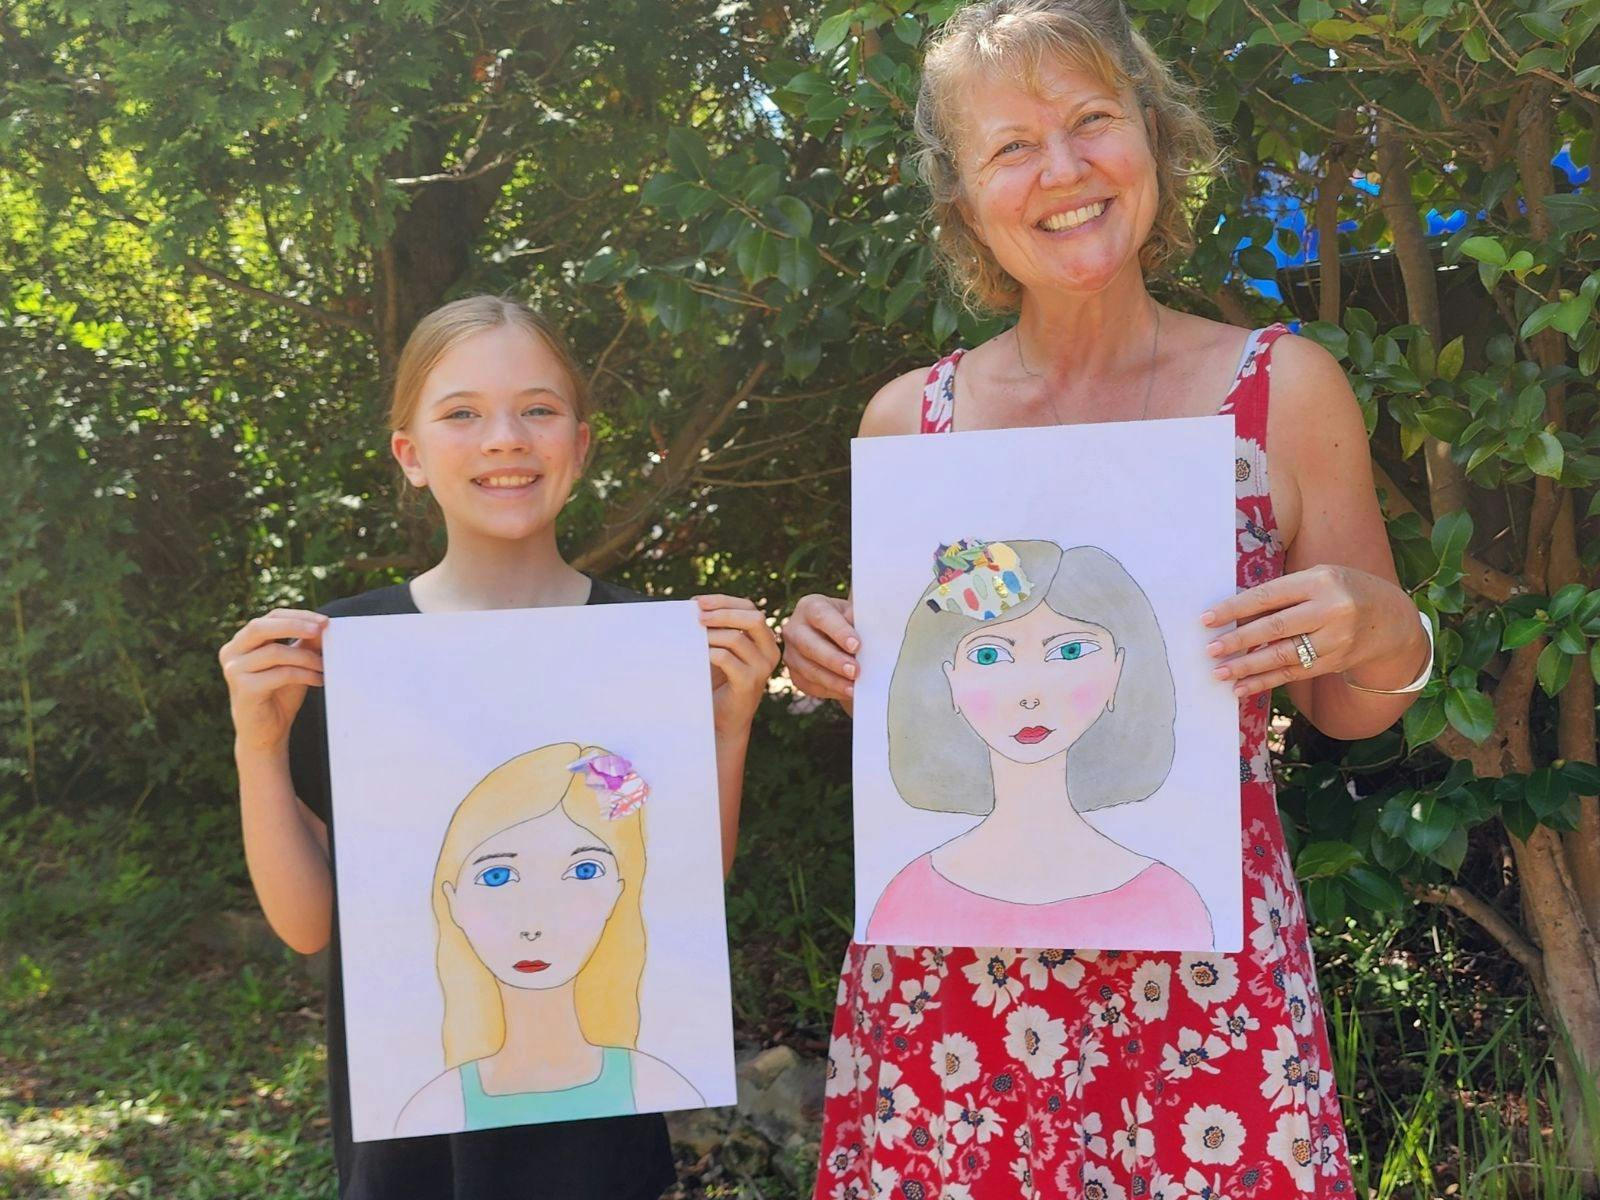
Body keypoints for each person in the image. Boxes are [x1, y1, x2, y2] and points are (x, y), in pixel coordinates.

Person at [782, 0, 1434, 1194]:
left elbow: (1351, 711)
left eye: (1091, 120)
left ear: (1154, 135)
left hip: (1202, 989)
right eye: (1010, 145)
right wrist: (828, 650)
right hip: (950, 989)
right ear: (962, 200)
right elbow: (925, 677)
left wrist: (1386, 627)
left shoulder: (1280, 391)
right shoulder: (911, 424)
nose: (1063, 168)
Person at [218, 295, 779, 1199]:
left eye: (538, 409)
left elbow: (671, 886)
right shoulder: (349, 655)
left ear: (580, 446)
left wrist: (727, 728)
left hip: (595, 1152)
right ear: (410, 455)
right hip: (414, 1154)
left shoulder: (644, 647)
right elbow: (307, 924)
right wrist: (258, 748)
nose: (505, 439)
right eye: (462, 413)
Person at [866, 539, 1212, 949]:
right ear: (948, 678)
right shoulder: (909, 900)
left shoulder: (1169, 904)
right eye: (989, 656)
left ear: (1118, 670)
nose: (1030, 693)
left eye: (1070, 651)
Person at [396, 743, 700, 1137]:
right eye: (497, 877)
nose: (535, 923)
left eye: (584, 871)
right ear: (452, 901)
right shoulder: (431, 1109)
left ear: (618, 890)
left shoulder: (657, 1085)